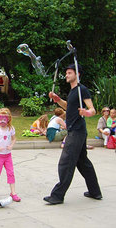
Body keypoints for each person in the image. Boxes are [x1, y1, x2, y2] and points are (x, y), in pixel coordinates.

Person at [44, 64, 102, 205]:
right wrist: (58, 100)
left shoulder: (82, 90)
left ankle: (57, 196)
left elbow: (92, 110)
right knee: (83, 163)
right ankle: (95, 192)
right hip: (75, 130)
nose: (67, 75)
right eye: (66, 72)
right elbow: (68, 107)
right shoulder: (73, 91)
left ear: (77, 74)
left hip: (76, 131)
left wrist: (87, 113)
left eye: (70, 72)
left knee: (66, 162)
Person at [0, 108, 21, 202]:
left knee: (10, 173)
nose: (3, 121)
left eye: (5, 118)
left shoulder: (11, 129)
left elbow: (14, 139)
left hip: (7, 155)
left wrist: (11, 145)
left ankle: (13, 192)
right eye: (1, 118)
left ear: (8, 119)